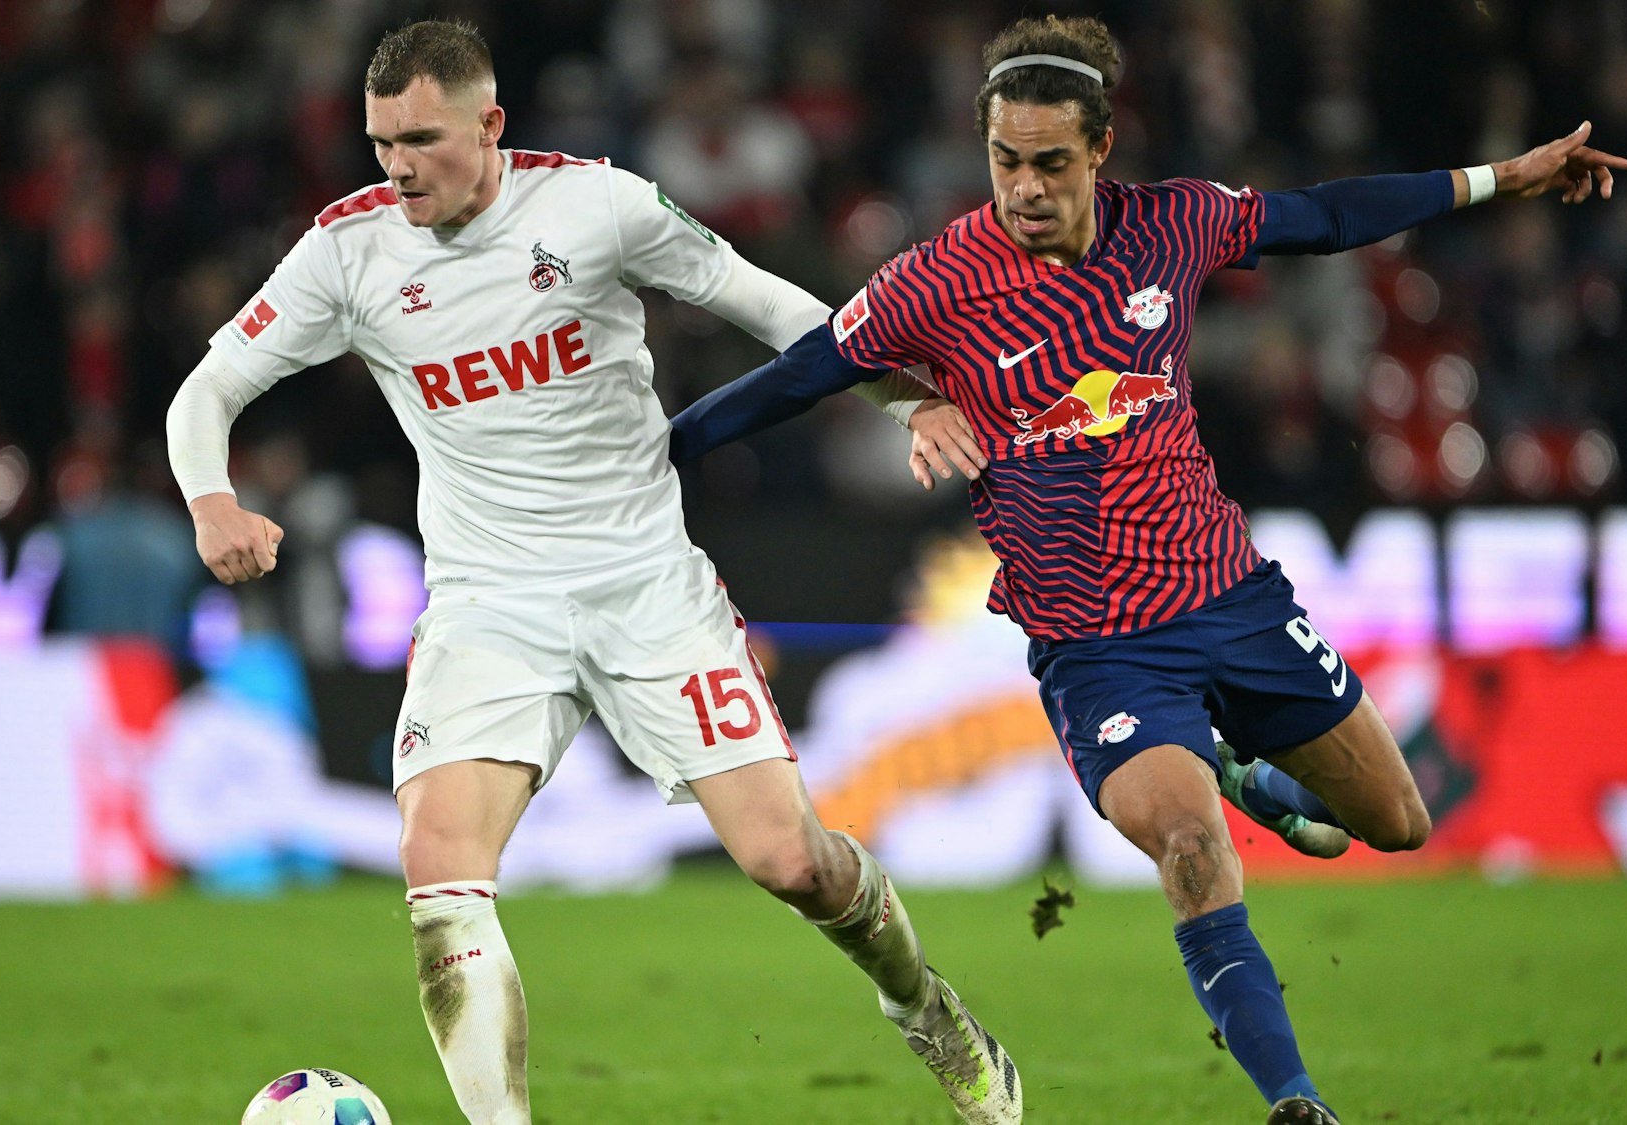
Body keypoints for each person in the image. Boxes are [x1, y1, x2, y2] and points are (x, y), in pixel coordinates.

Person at [667, 15, 1627, 1125]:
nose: (1022, 188)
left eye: (1047, 163)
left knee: (1395, 824)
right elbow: (792, 379)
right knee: (1188, 847)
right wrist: (654, 453)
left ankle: (1232, 763)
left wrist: (1495, 180)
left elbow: (1322, 218)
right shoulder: (932, 284)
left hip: (1231, 597)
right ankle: (1294, 1100)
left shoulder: (1173, 225)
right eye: (1003, 161)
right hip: (1095, 649)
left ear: (1097, 152)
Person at [164, 20, 1019, 1125]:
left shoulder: (595, 207)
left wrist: (902, 396)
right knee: (438, 865)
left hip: (645, 586)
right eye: (380, 143)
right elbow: (207, 389)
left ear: (491, 125)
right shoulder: (347, 250)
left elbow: (765, 303)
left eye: (420, 139)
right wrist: (210, 498)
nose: (395, 168)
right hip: (487, 603)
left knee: (787, 860)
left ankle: (927, 1011)